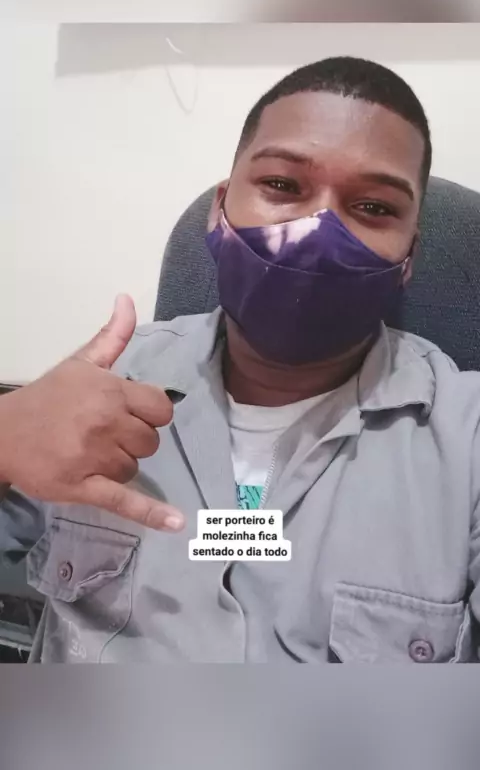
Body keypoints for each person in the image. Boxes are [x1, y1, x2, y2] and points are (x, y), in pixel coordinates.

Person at [2, 56, 480, 663]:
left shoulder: (467, 443)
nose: (317, 233)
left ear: (409, 256)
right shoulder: (104, 386)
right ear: (219, 211)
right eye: (282, 185)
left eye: (373, 208)